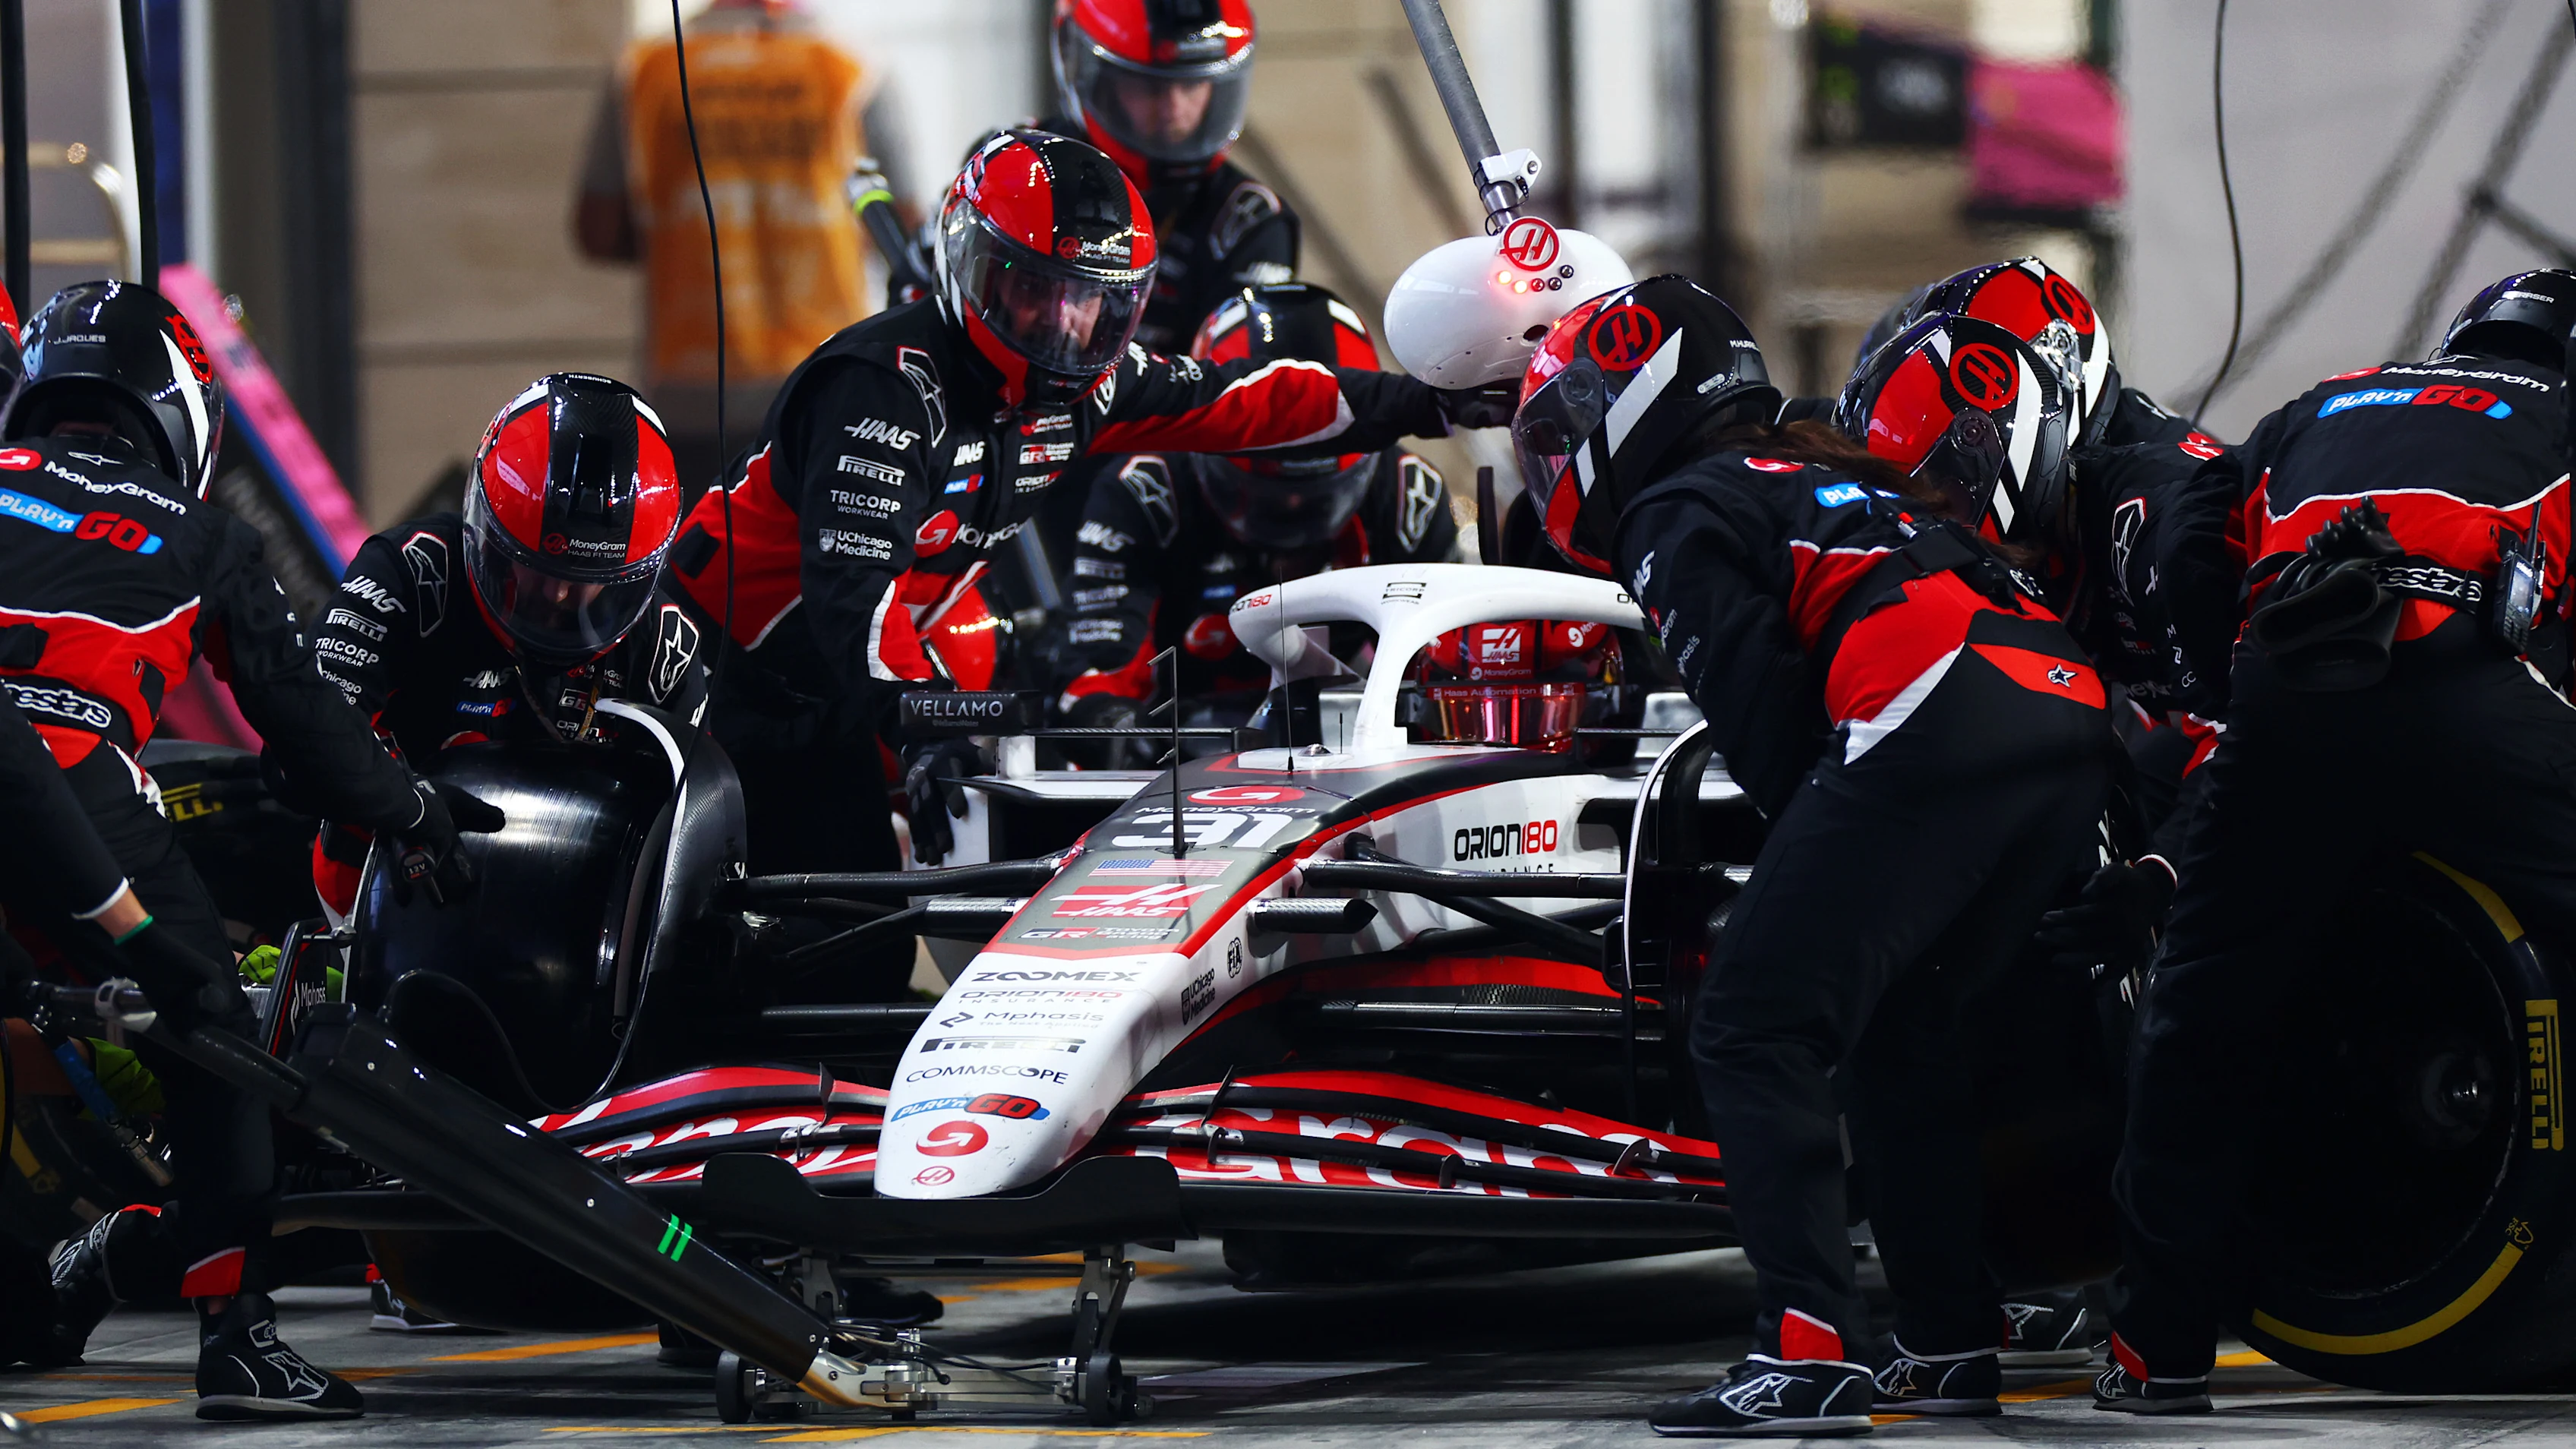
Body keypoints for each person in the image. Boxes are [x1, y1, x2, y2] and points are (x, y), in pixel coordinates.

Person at [1507, 277, 2111, 1435]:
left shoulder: (1674, 506)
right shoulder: (1825, 465)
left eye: (1565, 423)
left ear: (1632, 395)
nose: (1558, 461)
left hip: (1936, 711)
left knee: (1752, 1019)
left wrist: (1807, 876)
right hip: (2063, 708)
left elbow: (1763, 715)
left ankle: (1809, 1347)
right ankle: (1945, 1340)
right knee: (1903, 1032)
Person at [665, 128, 1504, 900]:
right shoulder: (880, 389)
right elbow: (855, 592)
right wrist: (921, 725)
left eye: (1091, 300)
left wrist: (1431, 402)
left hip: (837, 689)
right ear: (973, 268)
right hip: (713, 674)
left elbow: (1245, 398)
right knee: (722, 921)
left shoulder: (1089, 389)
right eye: (1033, 289)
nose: (1063, 325)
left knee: (848, 935)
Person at [0, 279, 495, 1419]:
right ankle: (240, 1342)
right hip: (69, 777)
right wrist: (412, 815)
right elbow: (310, 724)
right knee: (212, 1030)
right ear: (176, 413)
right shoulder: (202, 534)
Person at [2097, 268, 2576, 1414]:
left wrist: (2241, 685)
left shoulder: (2322, 401)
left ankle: (2155, 1349)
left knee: (2202, 1012)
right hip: (2474, 685)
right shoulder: (2559, 417)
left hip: (2293, 694)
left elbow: (2190, 542)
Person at [307, 373, 704, 923]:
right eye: (537, 569)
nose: (560, 594)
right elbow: (303, 733)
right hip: (378, 904)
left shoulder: (664, 647)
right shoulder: (413, 575)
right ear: (485, 530)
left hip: (575, 930)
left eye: (590, 579)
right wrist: (402, 804)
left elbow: (697, 835)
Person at [1055, 283, 1457, 744]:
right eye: (1269, 490)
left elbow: (1450, 669)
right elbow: (1099, 673)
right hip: (1181, 756)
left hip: (1357, 748)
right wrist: (1115, 726)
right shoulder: (1145, 492)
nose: (1290, 505)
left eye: (1311, 494)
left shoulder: (1411, 497)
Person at [575, 0, 920, 491]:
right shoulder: (853, 67)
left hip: (690, 391)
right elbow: (903, 233)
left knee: (700, 560)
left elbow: (598, 230)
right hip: (828, 385)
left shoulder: (646, 69)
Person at [1042, 0, 1295, 355]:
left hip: (1171, 409)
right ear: (1093, 74)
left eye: (1192, 86)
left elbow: (1240, 383)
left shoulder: (1248, 222)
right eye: (1150, 87)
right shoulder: (1024, 166)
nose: (1175, 109)